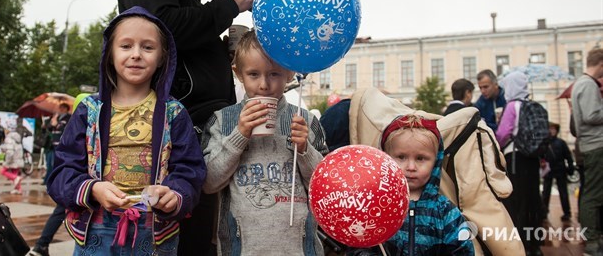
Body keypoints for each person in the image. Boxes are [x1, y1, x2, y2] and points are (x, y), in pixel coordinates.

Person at [117, 0, 255, 255]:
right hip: (179, 128)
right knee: (185, 231)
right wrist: (228, 5)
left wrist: (222, 51)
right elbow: (163, 30)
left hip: (204, 126)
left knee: (203, 227)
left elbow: (190, 39)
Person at [48, 7, 205, 255]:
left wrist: (175, 195)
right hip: (95, 233)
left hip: (154, 234)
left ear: (163, 57)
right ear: (109, 54)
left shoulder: (174, 113)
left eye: (148, 47)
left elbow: (190, 169)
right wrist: (93, 189)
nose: (136, 55)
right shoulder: (88, 111)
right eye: (126, 46)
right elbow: (61, 172)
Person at [202, 30, 328, 255]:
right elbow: (209, 182)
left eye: (274, 74)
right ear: (238, 74)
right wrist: (240, 134)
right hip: (242, 249)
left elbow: (324, 187)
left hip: (298, 248)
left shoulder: (305, 121)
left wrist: (305, 150)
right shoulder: (223, 121)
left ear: (289, 73)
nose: (263, 84)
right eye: (253, 74)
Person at [355, 114, 474, 255]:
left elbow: (463, 251)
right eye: (401, 157)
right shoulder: (374, 207)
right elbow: (358, 247)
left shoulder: (446, 212)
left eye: (420, 158)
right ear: (385, 158)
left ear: (436, 162)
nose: (411, 167)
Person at [496, 71, 543, 256]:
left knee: (516, 201)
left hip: (515, 158)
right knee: (532, 199)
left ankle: (521, 242)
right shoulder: (533, 105)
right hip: (532, 158)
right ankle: (535, 244)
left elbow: (502, 135)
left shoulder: (512, 106)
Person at [27, 103, 72, 256]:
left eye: (61, 108)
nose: (58, 110)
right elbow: (48, 130)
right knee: (61, 210)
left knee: (60, 211)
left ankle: (41, 245)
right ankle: (41, 245)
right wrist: (52, 123)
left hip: (73, 169)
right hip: (71, 168)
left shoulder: (70, 119)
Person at [571, 47, 603, 255]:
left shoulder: (580, 84)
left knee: (590, 192)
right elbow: (591, 116)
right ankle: (592, 238)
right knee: (592, 194)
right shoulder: (588, 85)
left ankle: (592, 236)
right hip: (595, 145)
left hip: (589, 145)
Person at [541, 123, 575, 222]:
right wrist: (542, 162)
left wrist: (570, 167)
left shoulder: (561, 143)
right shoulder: (544, 143)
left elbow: (568, 156)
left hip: (560, 170)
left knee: (563, 192)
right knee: (546, 192)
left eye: (553, 129)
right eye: (550, 128)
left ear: (556, 130)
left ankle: (567, 213)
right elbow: (541, 156)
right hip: (548, 170)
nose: (551, 131)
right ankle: (544, 212)